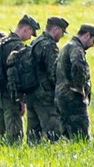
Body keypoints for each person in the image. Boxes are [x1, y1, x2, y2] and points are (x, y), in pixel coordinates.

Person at [0, 15, 39, 144]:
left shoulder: (1, 41)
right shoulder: (17, 46)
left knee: (0, 134)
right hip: (11, 94)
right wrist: (21, 99)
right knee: (15, 136)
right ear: (26, 28)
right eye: (31, 33)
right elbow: (19, 75)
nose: (30, 38)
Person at [26, 16, 67, 144]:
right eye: (62, 32)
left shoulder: (35, 42)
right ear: (56, 29)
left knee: (33, 133)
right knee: (54, 132)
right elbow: (53, 72)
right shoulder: (49, 46)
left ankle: (31, 153)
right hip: (44, 94)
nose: (62, 36)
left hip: (31, 92)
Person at [56, 24, 94, 141]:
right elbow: (78, 67)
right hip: (73, 97)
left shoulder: (66, 47)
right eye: (93, 40)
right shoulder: (76, 49)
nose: (93, 45)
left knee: (67, 134)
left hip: (61, 95)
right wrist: (81, 88)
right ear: (87, 35)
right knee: (82, 135)